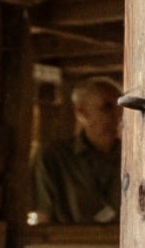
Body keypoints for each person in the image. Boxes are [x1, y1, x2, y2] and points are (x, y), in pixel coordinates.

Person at [33, 76, 124, 226]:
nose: (117, 116)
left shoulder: (132, 160)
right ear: (81, 113)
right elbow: (44, 215)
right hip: (71, 245)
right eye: (107, 107)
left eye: (120, 108)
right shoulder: (55, 157)